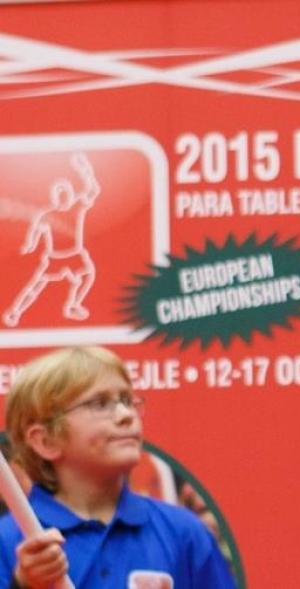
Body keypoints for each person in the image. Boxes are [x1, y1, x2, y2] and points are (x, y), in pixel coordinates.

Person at [0, 346, 235, 589]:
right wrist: (24, 585)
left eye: (127, 400)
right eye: (100, 404)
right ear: (46, 441)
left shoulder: (184, 532)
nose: (126, 414)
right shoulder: (9, 541)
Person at [4, 153, 99, 327]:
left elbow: (92, 190)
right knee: (36, 285)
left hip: (74, 255)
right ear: (55, 198)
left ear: (70, 195)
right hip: (55, 257)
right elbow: (36, 230)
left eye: (65, 193)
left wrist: (85, 170)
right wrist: (30, 245)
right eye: (59, 194)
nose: (63, 197)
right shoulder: (47, 215)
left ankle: (73, 305)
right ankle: (15, 312)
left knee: (88, 273)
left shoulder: (77, 207)